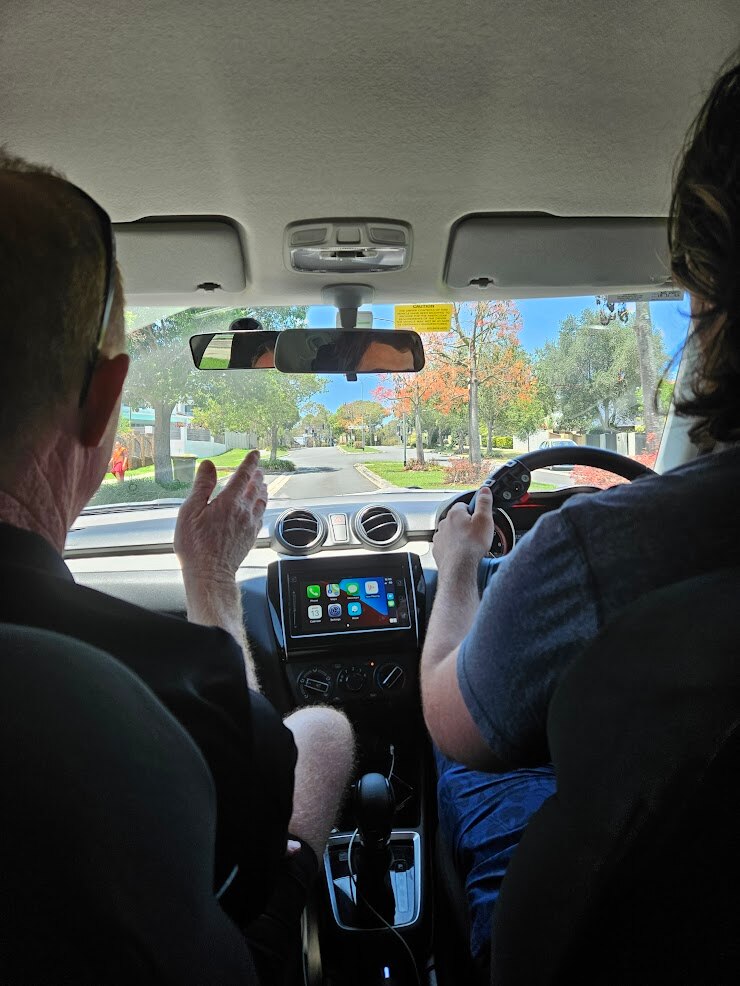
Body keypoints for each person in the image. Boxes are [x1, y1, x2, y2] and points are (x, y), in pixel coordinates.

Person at [0, 150, 355, 983]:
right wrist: (211, 586)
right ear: (104, 398)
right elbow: (255, 835)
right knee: (325, 732)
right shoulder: (171, 684)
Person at [421, 54, 740, 965]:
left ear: (715, 293)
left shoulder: (597, 552)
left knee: (475, 762)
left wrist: (455, 570)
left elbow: (451, 719)